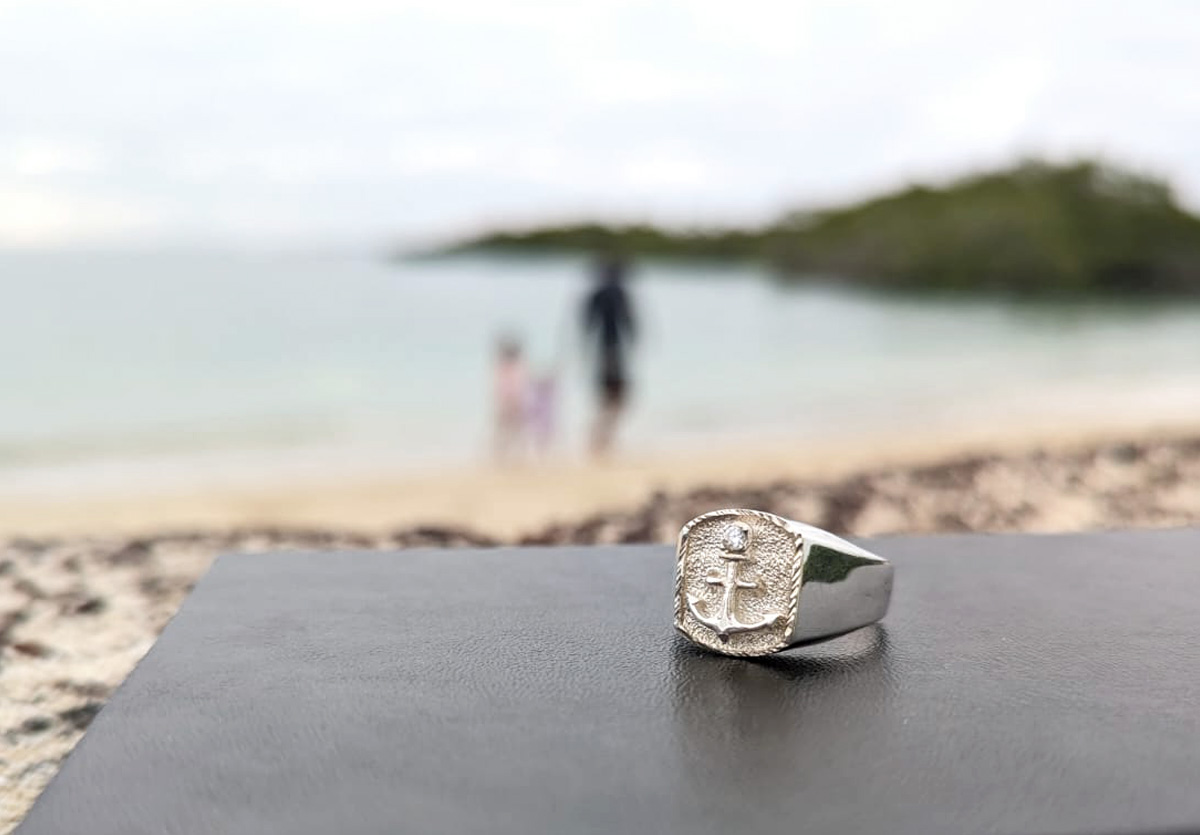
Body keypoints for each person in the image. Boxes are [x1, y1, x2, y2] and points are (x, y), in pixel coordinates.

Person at [581, 255, 637, 456]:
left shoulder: (595, 294)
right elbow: (630, 323)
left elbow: (586, 326)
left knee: (608, 399)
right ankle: (601, 439)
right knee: (617, 398)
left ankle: (600, 439)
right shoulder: (618, 293)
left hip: (602, 352)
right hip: (613, 352)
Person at [492, 335, 527, 462]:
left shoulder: (509, 369)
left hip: (511, 403)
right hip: (510, 403)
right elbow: (506, 388)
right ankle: (502, 455)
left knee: (512, 432)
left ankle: (506, 456)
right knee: (508, 432)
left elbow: (510, 388)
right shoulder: (509, 369)